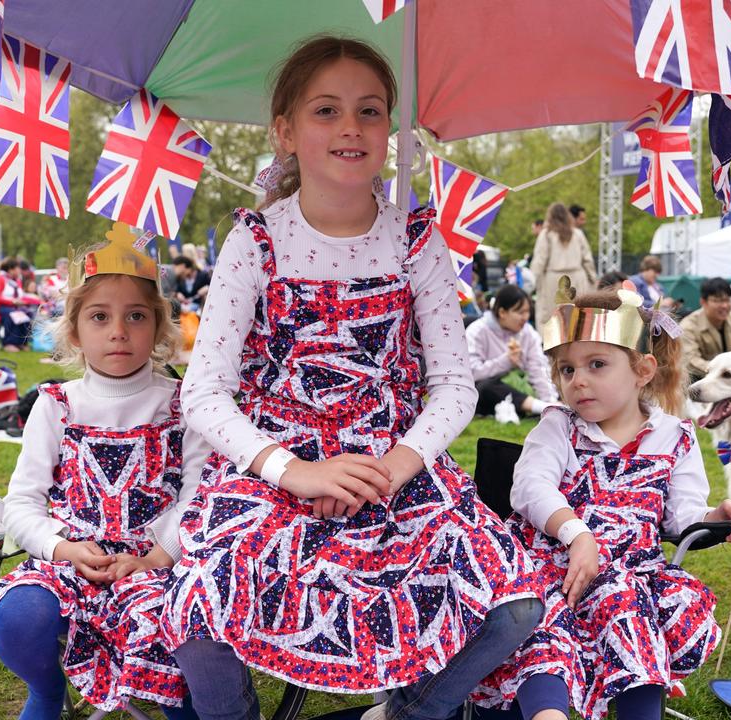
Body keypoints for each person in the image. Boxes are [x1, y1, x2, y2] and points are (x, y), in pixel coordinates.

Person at [160, 36, 542, 720]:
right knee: (196, 608)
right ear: (286, 130)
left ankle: (408, 711)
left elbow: (455, 383)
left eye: (370, 112)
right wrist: (294, 471)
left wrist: (394, 465)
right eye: (326, 110)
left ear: (389, 130)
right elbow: (204, 392)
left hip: (393, 466)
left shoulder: (417, 240)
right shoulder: (256, 240)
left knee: (512, 606)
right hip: (272, 468)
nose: (350, 128)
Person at [476, 285, 731, 720]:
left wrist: (714, 517)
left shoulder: (674, 437)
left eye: (596, 364)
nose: (579, 380)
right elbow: (531, 487)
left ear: (642, 370)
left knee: (624, 601)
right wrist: (577, 533)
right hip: (554, 566)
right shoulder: (558, 428)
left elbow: (680, 515)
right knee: (544, 615)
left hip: (634, 573)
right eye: (567, 370)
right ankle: (547, 713)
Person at [0, 225, 208, 718]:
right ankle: (49, 692)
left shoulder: (184, 405)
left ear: (160, 328)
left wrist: (160, 556)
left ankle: (182, 705)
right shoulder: (55, 405)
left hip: (159, 566)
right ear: (75, 332)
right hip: (70, 563)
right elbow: (23, 503)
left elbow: (200, 497)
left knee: (188, 637)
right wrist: (62, 548)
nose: (119, 331)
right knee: (18, 619)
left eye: (136, 316)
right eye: (100, 317)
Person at [466, 284, 557, 421]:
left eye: (527, 312)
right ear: (502, 312)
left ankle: (548, 407)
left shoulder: (529, 333)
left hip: (522, 388)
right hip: (487, 393)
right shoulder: (477, 331)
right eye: (520, 312)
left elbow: (537, 369)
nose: (525, 317)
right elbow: (472, 373)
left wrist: (550, 399)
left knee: (554, 379)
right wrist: (506, 361)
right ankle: (541, 407)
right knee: (487, 387)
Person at [679, 277, 731, 382]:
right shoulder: (688, 327)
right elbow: (691, 361)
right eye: (718, 301)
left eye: (728, 300)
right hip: (701, 381)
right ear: (703, 302)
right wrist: (724, 372)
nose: (724, 305)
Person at [531, 202, 598, 329]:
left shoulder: (546, 235)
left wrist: (532, 282)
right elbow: (587, 260)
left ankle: (551, 347)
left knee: (552, 318)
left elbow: (539, 261)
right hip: (577, 279)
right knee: (577, 318)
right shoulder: (577, 234)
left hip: (553, 281)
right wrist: (592, 279)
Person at [0, 257, 37, 352]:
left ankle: (21, 343)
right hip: (0, 308)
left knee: (27, 314)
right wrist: (12, 302)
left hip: (15, 307)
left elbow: (21, 296)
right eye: (18, 268)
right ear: (11, 269)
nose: (20, 271)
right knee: (13, 315)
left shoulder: (17, 281)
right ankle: (9, 343)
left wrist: (37, 301)